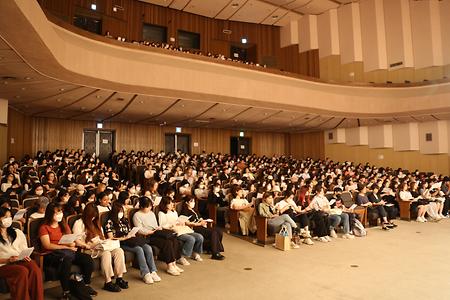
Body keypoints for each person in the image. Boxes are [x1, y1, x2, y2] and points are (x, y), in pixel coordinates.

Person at [39, 203, 96, 299]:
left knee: (87, 260)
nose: (60, 215)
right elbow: (47, 245)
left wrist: (82, 245)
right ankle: (66, 292)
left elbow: (72, 238)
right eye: (57, 213)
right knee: (66, 260)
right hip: (51, 254)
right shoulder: (44, 227)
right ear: (50, 214)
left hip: (67, 251)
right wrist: (66, 247)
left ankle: (85, 285)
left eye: (60, 212)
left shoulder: (63, 225)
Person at [72, 203, 127, 292]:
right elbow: (76, 240)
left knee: (119, 251)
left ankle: (119, 278)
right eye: (91, 216)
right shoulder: (79, 223)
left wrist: (104, 241)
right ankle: (108, 282)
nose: (93, 218)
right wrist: (87, 245)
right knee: (106, 253)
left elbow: (102, 236)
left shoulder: (96, 222)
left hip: (100, 246)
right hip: (88, 248)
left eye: (95, 216)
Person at [105, 201, 160, 285]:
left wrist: (132, 234)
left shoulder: (124, 220)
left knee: (147, 247)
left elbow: (129, 231)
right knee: (139, 249)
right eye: (119, 212)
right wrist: (123, 238)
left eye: (122, 212)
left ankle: (153, 271)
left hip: (130, 240)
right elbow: (111, 238)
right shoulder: (109, 223)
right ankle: (145, 273)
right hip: (120, 243)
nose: (121, 214)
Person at [0, 207, 44, 300]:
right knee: (22, 271)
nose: (8, 219)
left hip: (18, 260)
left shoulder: (17, 232)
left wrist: (24, 256)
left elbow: (24, 249)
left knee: (34, 267)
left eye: (10, 216)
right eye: (5, 217)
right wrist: (8, 260)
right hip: (3, 264)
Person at [132, 196, 183, 276]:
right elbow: (139, 230)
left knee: (174, 238)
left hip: (156, 232)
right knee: (167, 243)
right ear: (141, 206)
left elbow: (155, 225)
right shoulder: (137, 215)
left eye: (150, 206)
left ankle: (174, 263)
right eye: (147, 207)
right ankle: (170, 266)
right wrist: (150, 232)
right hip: (148, 236)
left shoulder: (151, 213)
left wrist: (157, 228)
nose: (149, 208)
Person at [158, 197, 204, 265]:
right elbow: (162, 225)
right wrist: (172, 225)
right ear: (164, 204)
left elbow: (177, 220)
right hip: (173, 230)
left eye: (172, 203)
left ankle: (195, 253)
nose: (172, 204)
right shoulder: (161, 213)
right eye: (170, 203)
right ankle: (181, 257)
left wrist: (181, 222)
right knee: (191, 239)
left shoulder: (174, 212)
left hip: (181, 228)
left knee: (199, 237)